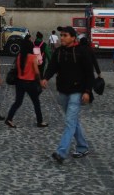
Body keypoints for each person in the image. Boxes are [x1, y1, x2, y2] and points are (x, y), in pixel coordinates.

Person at [43, 26, 93, 164]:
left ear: (73, 37)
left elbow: (89, 73)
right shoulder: (59, 52)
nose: (62, 37)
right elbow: (52, 67)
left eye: (65, 35)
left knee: (70, 122)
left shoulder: (82, 52)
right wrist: (45, 78)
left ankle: (61, 152)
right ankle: (83, 147)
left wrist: (87, 91)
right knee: (73, 121)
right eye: (61, 35)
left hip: (77, 92)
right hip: (63, 92)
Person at [5, 37, 47, 128]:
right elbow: (36, 72)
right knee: (36, 103)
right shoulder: (32, 57)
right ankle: (40, 121)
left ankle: (9, 119)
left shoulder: (19, 56)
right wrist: (40, 81)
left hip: (19, 82)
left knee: (17, 102)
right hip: (30, 83)